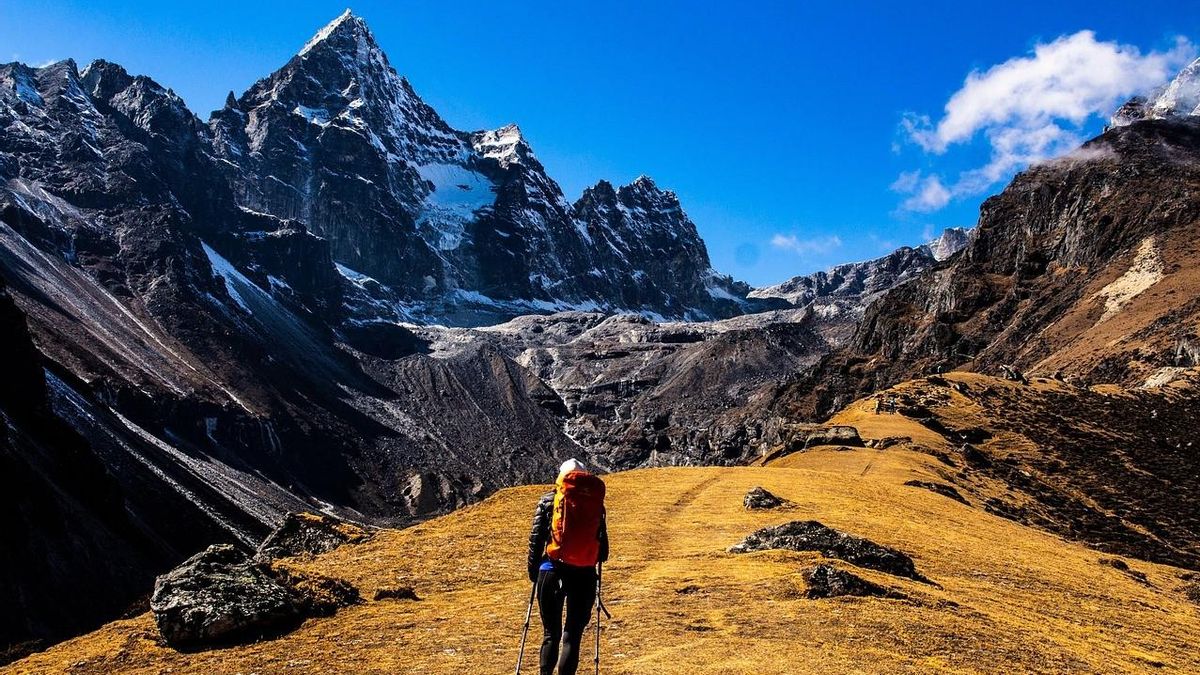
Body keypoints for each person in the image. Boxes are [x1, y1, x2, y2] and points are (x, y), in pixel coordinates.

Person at [526, 459, 609, 675]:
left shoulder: (549, 500)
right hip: (584, 575)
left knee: (550, 633)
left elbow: (536, 541)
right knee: (572, 635)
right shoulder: (596, 504)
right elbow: (604, 552)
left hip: (551, 570)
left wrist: (535, 573)